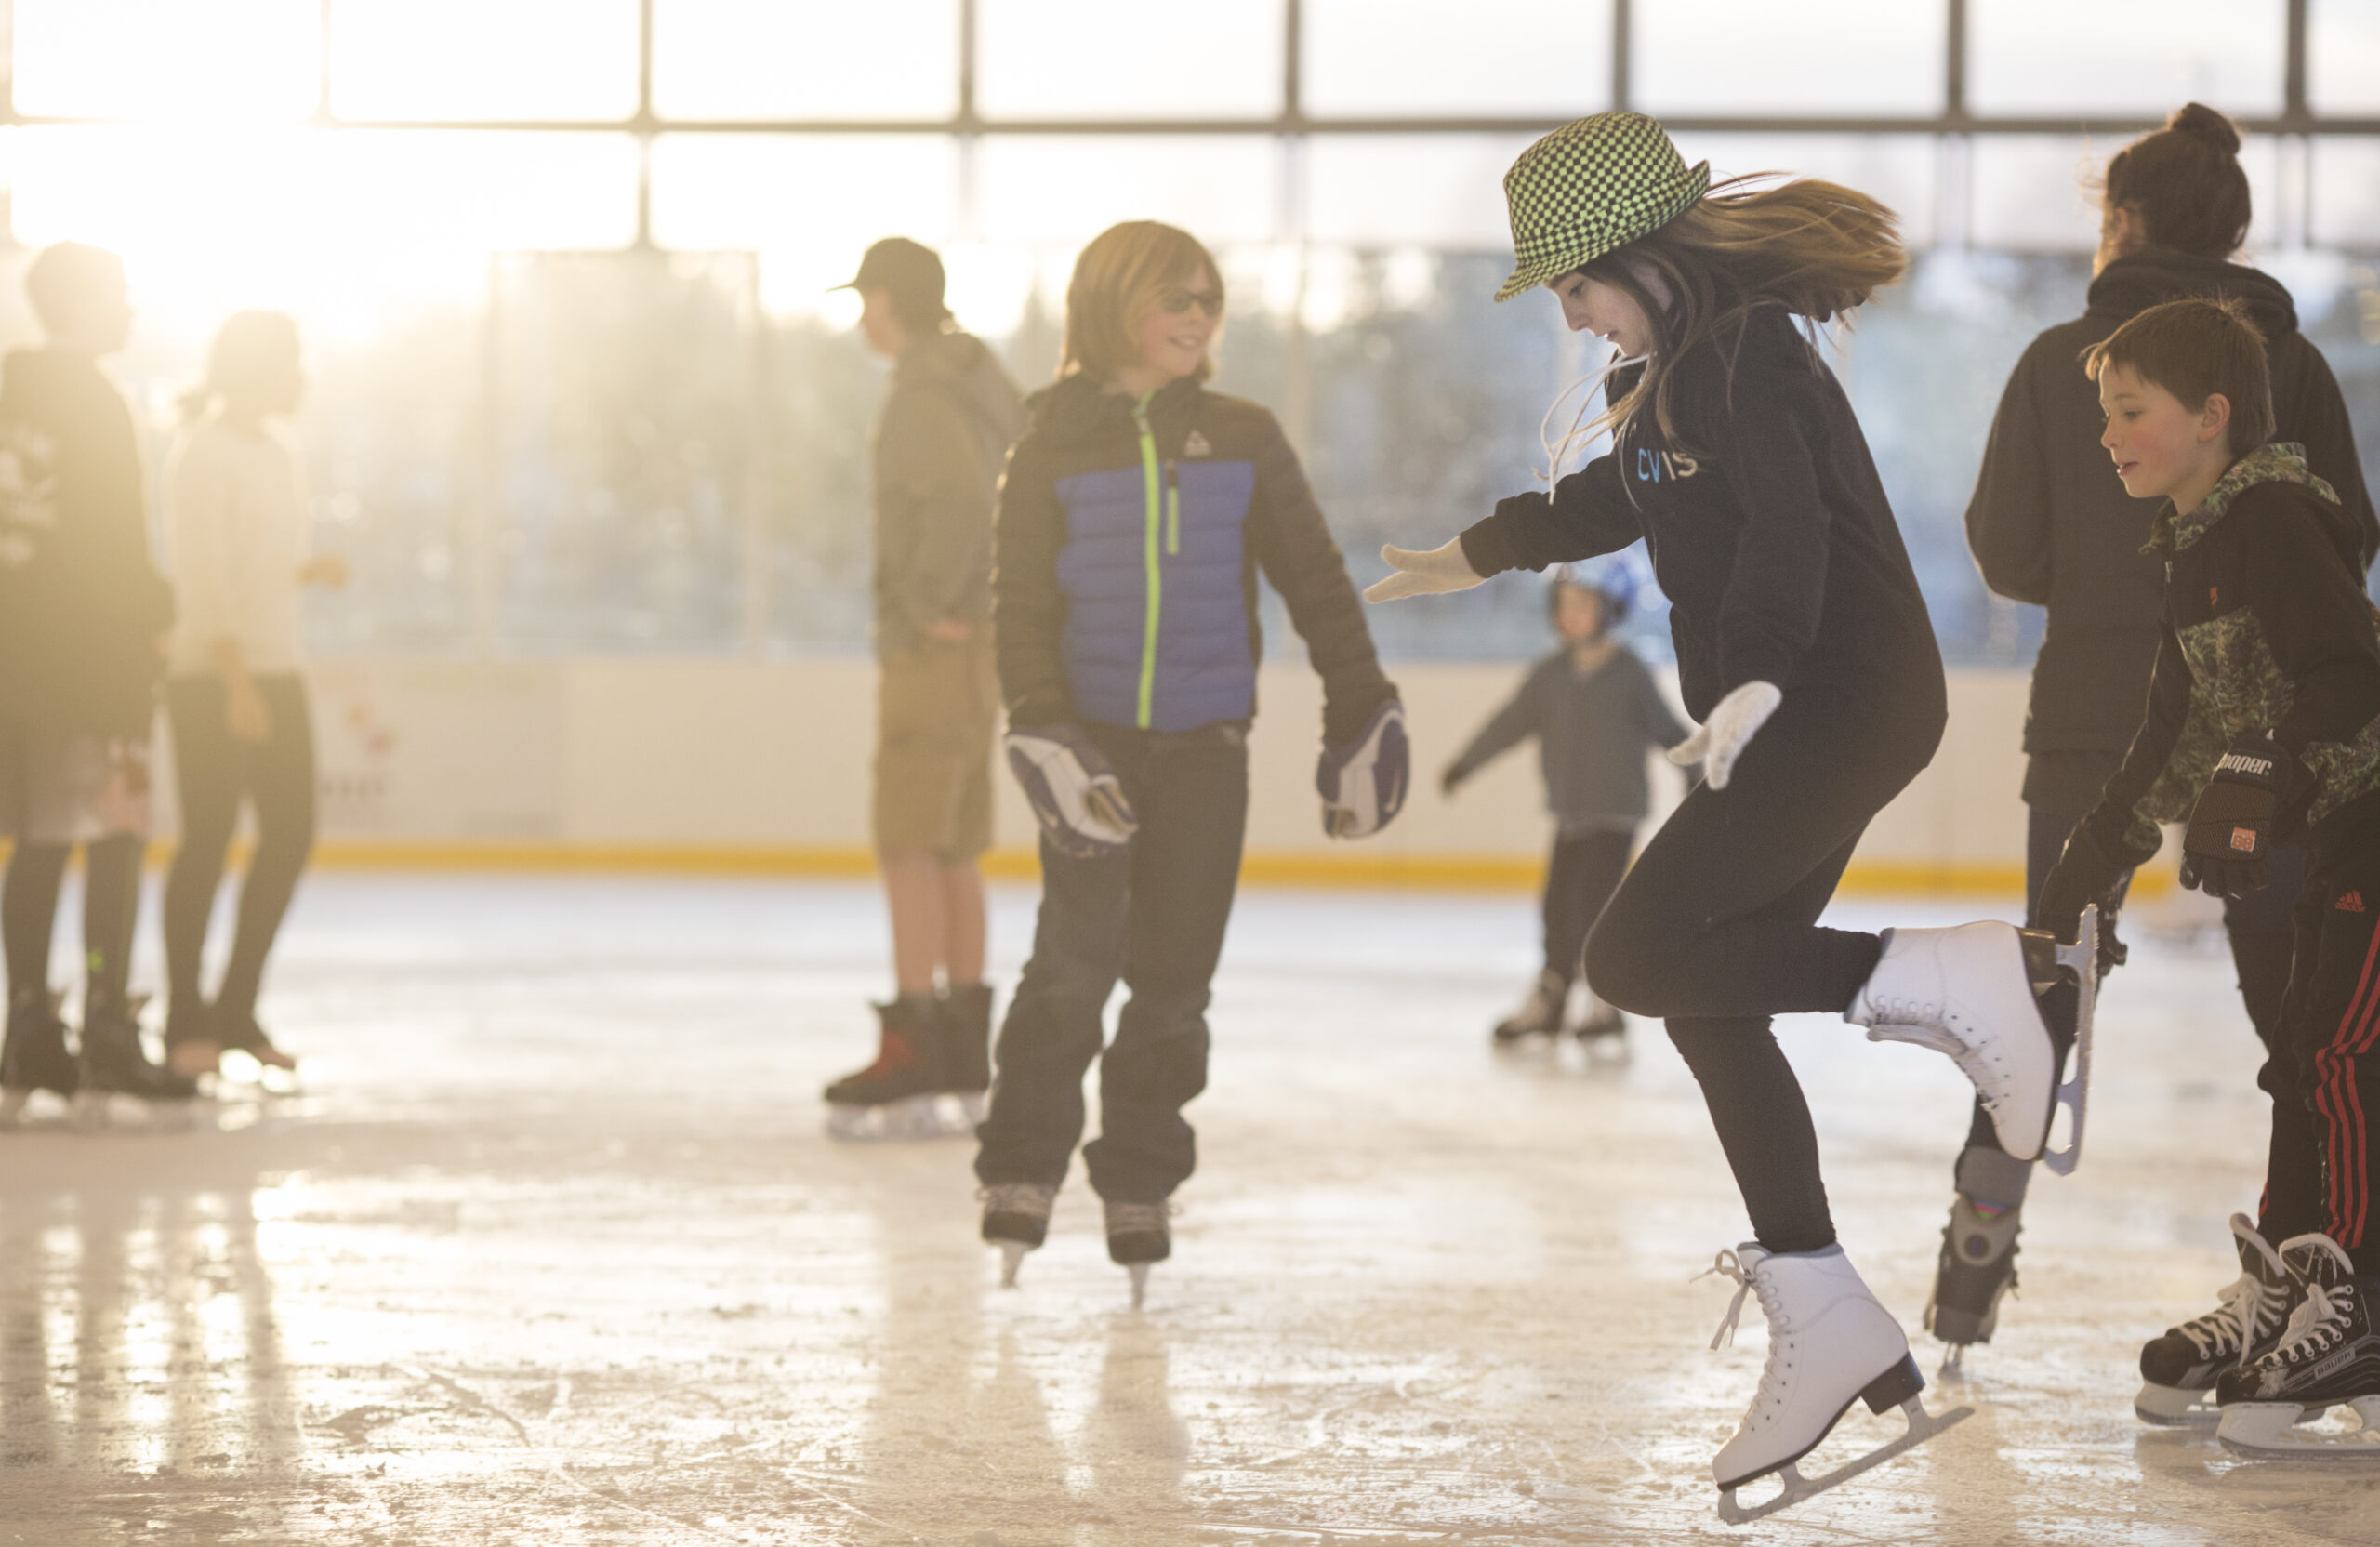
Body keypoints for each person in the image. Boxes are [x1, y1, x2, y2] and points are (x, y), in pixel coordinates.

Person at [1366, 113, 2076, 1514]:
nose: (1568, 315)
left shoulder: (1745, 359)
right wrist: (1479, 551)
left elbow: (1793, 531)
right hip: (1794, 711)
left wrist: (1751, 671)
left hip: (1834, 697)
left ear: (1638, 256)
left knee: (1628, 958)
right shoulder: (1671, 380)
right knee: (1700, 997)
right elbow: (1608, 506)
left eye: (1572, 284)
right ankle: (1823, 1309)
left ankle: (1955, 976)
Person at [1946, 101, 2376, 1356]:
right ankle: (2322, 1260)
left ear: (2120, 223)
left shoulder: (2055, 362)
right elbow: (2343, 542)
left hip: (2097, 709)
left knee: (2044, 995)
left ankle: (1972, 1269)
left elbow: (2005, 548)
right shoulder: (2282, 367)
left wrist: (2102, 584)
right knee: (2302, 1018)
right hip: (2272, 731)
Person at [975, 220, 1408, 1306]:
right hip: (1094, 754)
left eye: (1210, 301)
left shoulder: (1243, 435)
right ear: (1112, 303)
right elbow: (1019, 607)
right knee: (1069, 972)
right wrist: (1039, 724)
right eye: (1176, 298)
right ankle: (1021, 1165)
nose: (1198, 318)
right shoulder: (1048, 446)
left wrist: (1358, 701)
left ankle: (1140, 1177)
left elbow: (1313, 578)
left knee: (1172, 986)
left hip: (1208, 751)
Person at [2034, 298, 2380, 1458]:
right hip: (2331, 837)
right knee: (2301, 1057)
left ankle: (2363, 1307)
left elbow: (2350, 677)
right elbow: (2170, 733)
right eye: (2105, 414)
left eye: (2130, 411)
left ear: (2212, 416)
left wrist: (2259, 773)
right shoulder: (2194, 540)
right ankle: (2291, 1286)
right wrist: (2089, 865)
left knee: (2338, 1052)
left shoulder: (2276, 516)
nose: (2108, 434)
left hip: (2371, 829)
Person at [818, 238, 1025, 1140]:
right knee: (951, 847)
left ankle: (913, 1049)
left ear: (888, 300)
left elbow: (957, 500)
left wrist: (926, 605)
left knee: (907, 840)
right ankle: (962, 1052)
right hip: (981, 644)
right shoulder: (974, 380)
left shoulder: (922, 392)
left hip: (939, 647)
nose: (862, 315)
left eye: (867, 298)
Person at [0, 242, 192, 1120]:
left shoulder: (11, 386)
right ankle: (109, 1022)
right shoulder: (99, 404)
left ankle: (30, 1024)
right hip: (95, 660)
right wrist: (157, 611)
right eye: (118, 293)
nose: (130, 309)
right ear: (81, 303)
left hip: (17, 657)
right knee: (115, 835)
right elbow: (115, 544)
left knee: (39, 841)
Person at [159, 311, 344, 1081]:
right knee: (206, 840)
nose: (302, 374)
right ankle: (185, 1019)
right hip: (212, 673)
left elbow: (255, 562)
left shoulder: (281, 453)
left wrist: (307, 573)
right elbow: (202, 578)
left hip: (277, 665)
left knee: (290, 836)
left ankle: (238, 1007)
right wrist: (234, 680)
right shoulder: (202, 452)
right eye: (292, 359)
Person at [1441, 560, 1686, 1047]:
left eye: (1585, 606)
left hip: (1616, 814)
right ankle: (1550, 1001)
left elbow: (1669, 731)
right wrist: (1465, 764)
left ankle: (1604, 1004)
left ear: (1612, 610)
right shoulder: (1550, 674)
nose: (1572, 616)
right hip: (1568, 813)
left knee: (1593, 908)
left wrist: (1698, 773)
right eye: (1565, 605)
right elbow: (1507, 724)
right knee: (1556, 909)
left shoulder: (1629, 671)